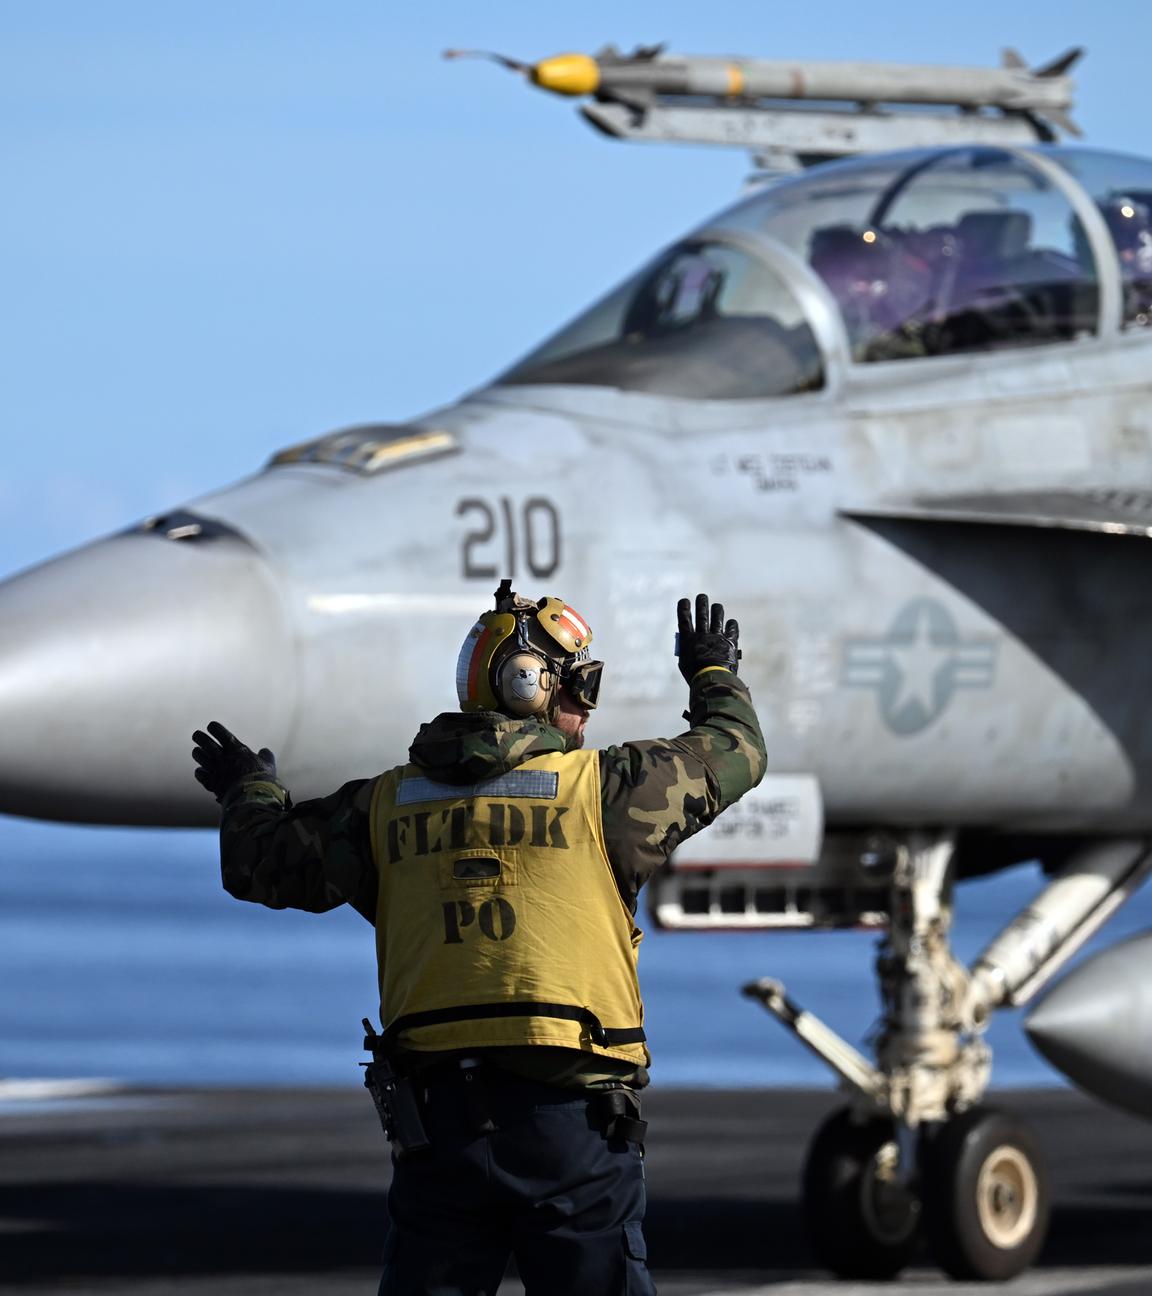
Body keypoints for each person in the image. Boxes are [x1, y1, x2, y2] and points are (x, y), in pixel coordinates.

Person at [192, 584, 766, 1296]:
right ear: (533, 685)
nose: (588, 708)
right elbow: (735, 749)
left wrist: (248, 789)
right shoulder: (607, 793)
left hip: (439, 1139)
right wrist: (712, 672)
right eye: (583, 686)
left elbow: (261, 863)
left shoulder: (384, 807)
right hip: (573, 1135)